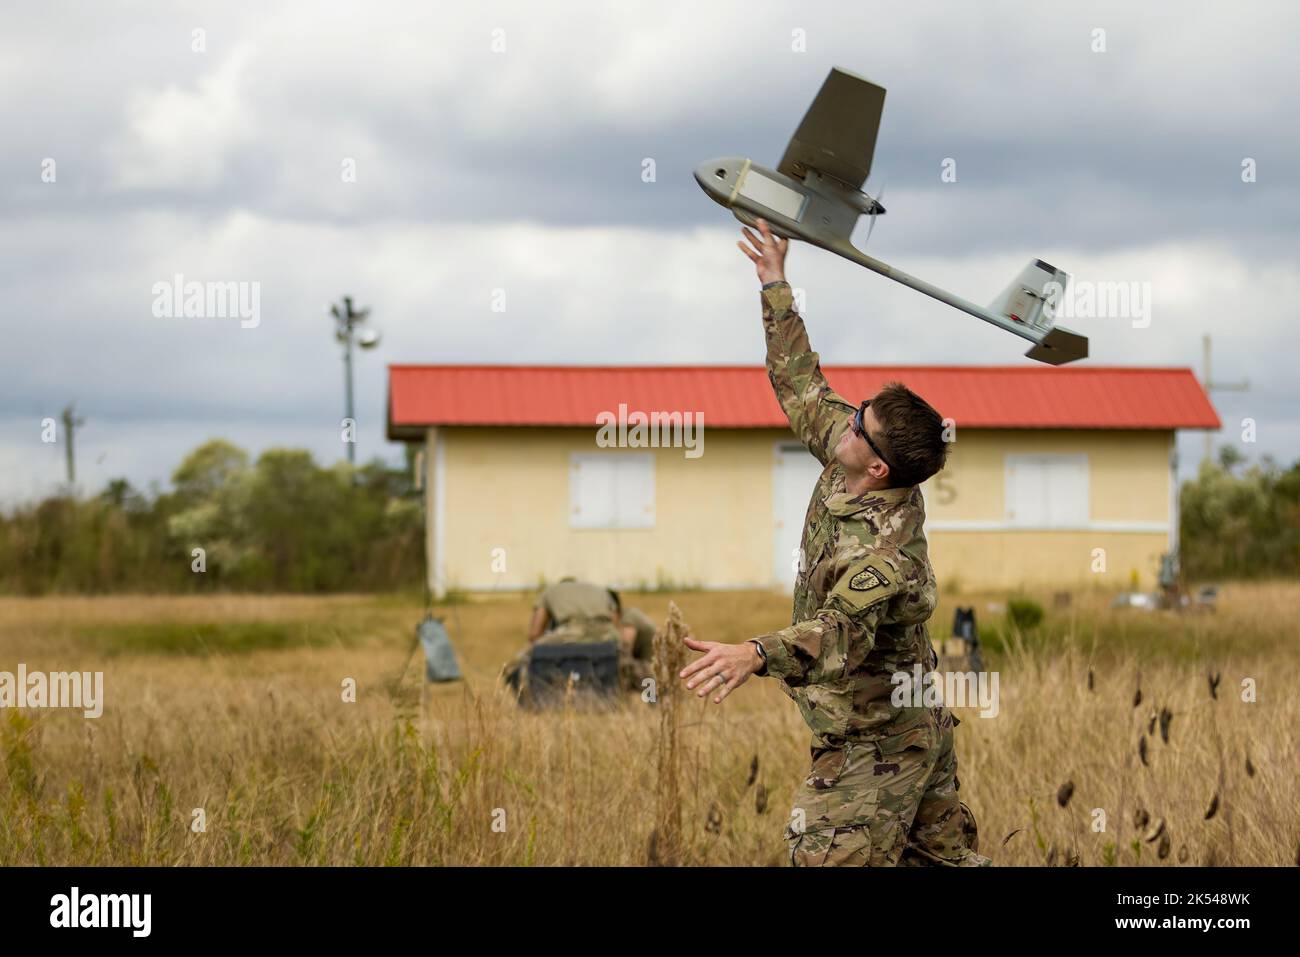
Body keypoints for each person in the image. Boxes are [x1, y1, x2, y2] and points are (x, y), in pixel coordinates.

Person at [678, 219, 990, 867]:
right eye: (859, 412)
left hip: (879, 745)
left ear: (878, 467)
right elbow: (801, 386)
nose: (846, 418)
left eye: (860, 424)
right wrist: (774, 283)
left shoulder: (886, 551)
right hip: (905, 723)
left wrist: (752, 652)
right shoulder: (855, 454)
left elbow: (836, 634)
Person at [502, 578, 622, 697]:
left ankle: (528, 701)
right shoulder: (600, 591)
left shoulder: (550, 591)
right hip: (606, 633)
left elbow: (534, 634)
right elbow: (616, 624)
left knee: (516, 664)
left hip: (570, 631)